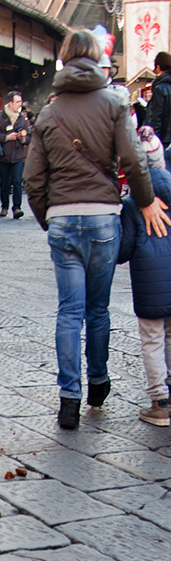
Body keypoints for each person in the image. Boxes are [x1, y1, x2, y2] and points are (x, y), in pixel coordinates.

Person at [24, 26, 169, 430]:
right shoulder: (116, 102)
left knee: (69, 311)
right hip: (104, 217)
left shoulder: (49, 113)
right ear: (98, 58)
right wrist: (146, 202)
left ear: (66, 59)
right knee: (97, 309)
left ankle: (68, 399)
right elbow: (134, 161)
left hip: (63, 221)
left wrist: (47, 218)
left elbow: (33, 181)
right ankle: (99, 381)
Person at [117, 145, 171, 424]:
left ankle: (159, 402)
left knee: (152, 341)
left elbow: (123, 250)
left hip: (149, 286)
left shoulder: (133, 202)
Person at [0, 91, 30, 218]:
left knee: (18, 181)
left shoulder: (22, 118)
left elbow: (28, 136)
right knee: (5, 183)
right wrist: (7, 137)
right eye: (18, 101)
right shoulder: (0, 116)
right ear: (10, 103)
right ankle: (4, 206)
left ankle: (17, 208)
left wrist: (23, 139)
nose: (20, 104)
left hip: (17, 155)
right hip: (4, 154)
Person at [145, 50, 171, 168]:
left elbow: (157, 117)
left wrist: (154, 141)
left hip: (164, 139)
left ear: (158, 67)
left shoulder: (160, 88)